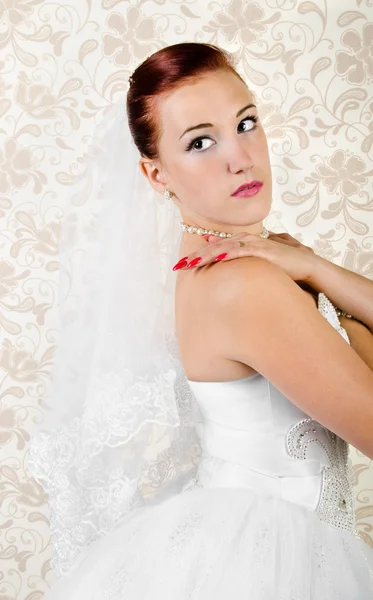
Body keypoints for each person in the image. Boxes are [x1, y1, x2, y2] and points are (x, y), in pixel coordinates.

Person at [27, 42, 373, 599]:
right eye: (201, 142)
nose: (240, 157)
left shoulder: (206, 265)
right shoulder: (243, 283)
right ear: (156, 174)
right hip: (270, 562)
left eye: (247, 122)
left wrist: (316, 267)